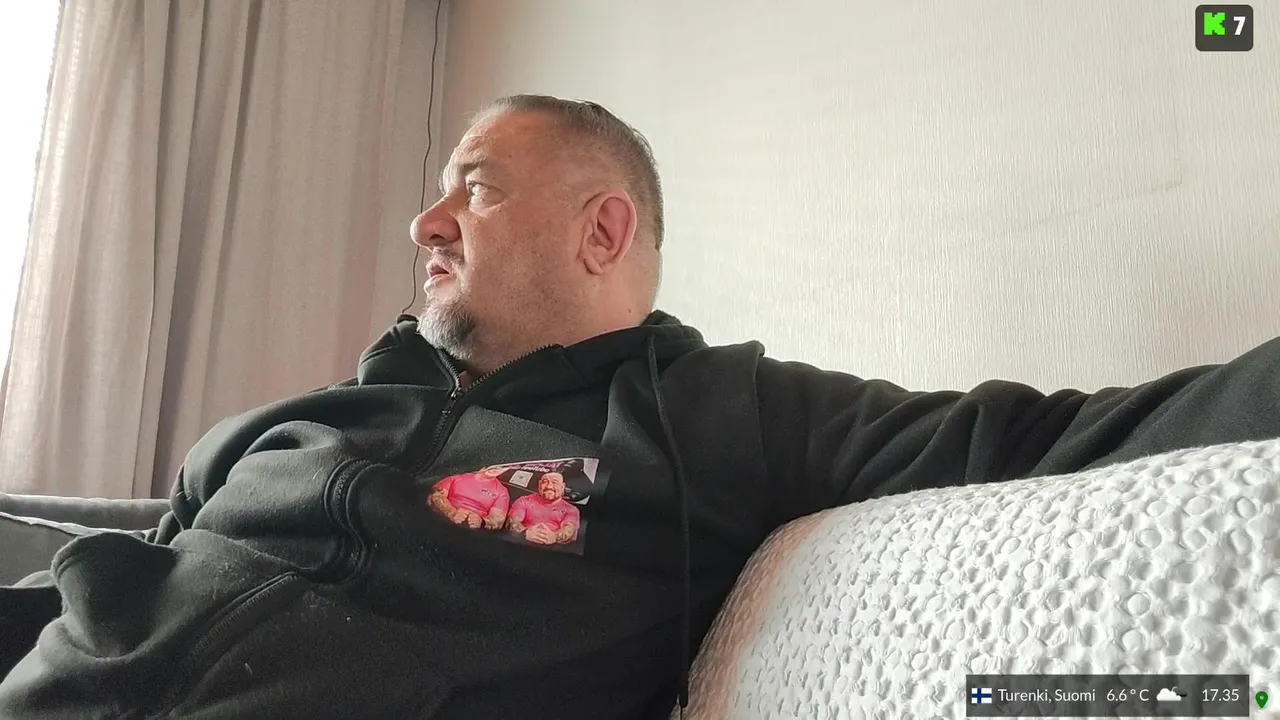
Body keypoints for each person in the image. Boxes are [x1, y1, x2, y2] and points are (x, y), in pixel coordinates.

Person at [0, 94, 1277, 719]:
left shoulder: (714, 416)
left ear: (602, 229)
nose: (424, 222)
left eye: (473, 187)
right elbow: (128, 569)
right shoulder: (300, 420)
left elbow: (1057, 438)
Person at [507, 472, 581, 545]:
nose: (549, 486)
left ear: (562, 486)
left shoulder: (571, 510)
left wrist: (554, 537)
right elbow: (512, 522)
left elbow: (570, 531)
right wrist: (525, 533)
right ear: (539, 485)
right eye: (545, 482)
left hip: (554, 548)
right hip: (523, 544)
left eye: (554, 482)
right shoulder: (523, 501)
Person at [428, 465, 511, 530]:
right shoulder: (458, 475)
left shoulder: (502, 491)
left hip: (474, 533)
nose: (497, 468)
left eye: (504, 466)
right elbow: (435, 497)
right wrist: (451, 512)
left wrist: (482, 522)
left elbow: (497, 520)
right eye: (495, 464)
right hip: (443, 523)